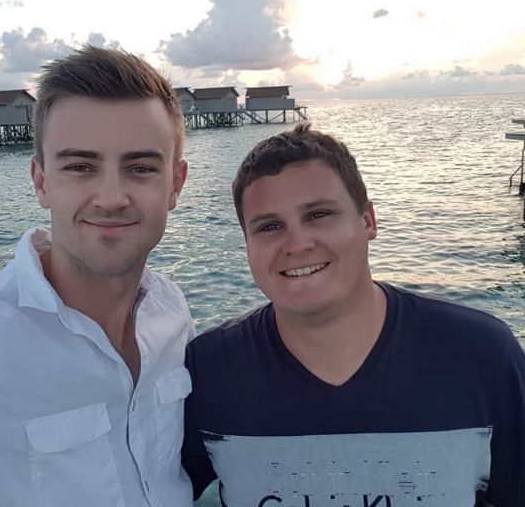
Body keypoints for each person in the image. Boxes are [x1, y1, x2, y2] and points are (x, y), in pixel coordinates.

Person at [0, 46, 195, 507]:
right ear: (41, 181)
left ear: (175, 184)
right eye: (80, 167)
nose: (111, 197)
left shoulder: (171, 311)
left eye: (140, 168)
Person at [182, 123, 525, 507]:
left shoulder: (482, 356)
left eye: (318, 215)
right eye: (270, 226)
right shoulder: (210, 369)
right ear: (247, 243)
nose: (297, 244)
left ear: (368, 221)